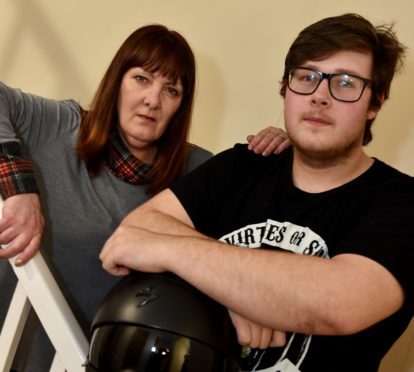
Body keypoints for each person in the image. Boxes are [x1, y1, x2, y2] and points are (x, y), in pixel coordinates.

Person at [100, 13, 414, 372]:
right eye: (306, 77)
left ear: (375, 102)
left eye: (345, 83)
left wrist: (236, 288)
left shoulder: (401, 202)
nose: (319, 96)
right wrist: (241, 294)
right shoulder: (242, 165)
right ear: (286, 89)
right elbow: (134, 232)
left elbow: (339, 303)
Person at [0, 24, 288, 370]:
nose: (153, 100)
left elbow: (252, 229)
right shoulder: (61, 124)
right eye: (141, 79)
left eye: (171, 90)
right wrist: (19, 189)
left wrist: (284, 148)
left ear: (181, 107)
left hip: (98, 361)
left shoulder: (197, 170)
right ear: (117, 81)